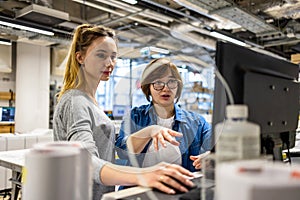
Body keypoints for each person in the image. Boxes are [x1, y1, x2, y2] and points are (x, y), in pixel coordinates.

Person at [52, 24, 195, 200]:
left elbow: (112, 148)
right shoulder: (76, 101)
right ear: (80, 57)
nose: (109, 63)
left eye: (113, 56)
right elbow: (85, 161)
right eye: (101, 55)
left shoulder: (90, 102)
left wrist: (150, 131)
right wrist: (144, 175)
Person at [115, 58, 212, 172]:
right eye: (158, 83)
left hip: (179, 187)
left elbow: (218, 147)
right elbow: (122, 152)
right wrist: (149, 131)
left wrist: (211, 156)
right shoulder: (135, 116)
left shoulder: (197, 122)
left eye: (171, 82)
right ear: (148, 88)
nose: (165, 88)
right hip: (139, 187)